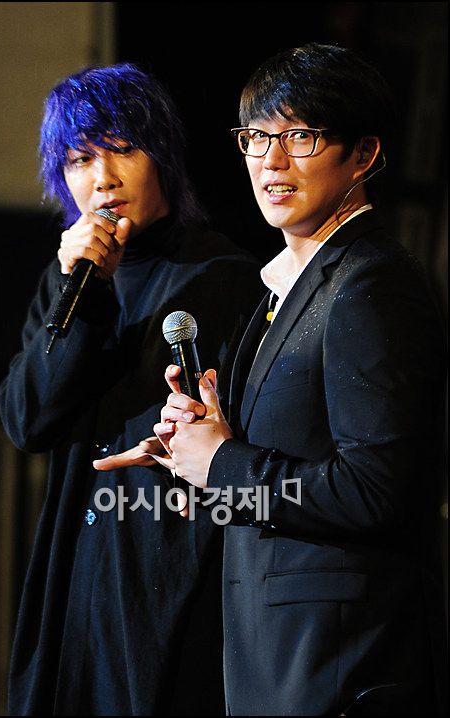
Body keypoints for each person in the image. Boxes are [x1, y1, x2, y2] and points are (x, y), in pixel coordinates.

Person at [154, 43, 448, 716]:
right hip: (280, 659)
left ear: (364, 155)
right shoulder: (284, 290)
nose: (272, 161)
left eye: (301, 136)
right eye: (256, 137)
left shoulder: (371, 285)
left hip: (340, 667)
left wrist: (224, 463)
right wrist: (195, 456)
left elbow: (375, 490)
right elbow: (287, 469)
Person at [0, 63, 264, 716]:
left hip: (162, 573)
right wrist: (82, 293)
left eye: (122, 149)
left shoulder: (225, 279)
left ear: (162, 156)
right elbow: (26, 420)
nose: (102, 178)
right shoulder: (70, 282)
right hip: (73, 572)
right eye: (80, 159)